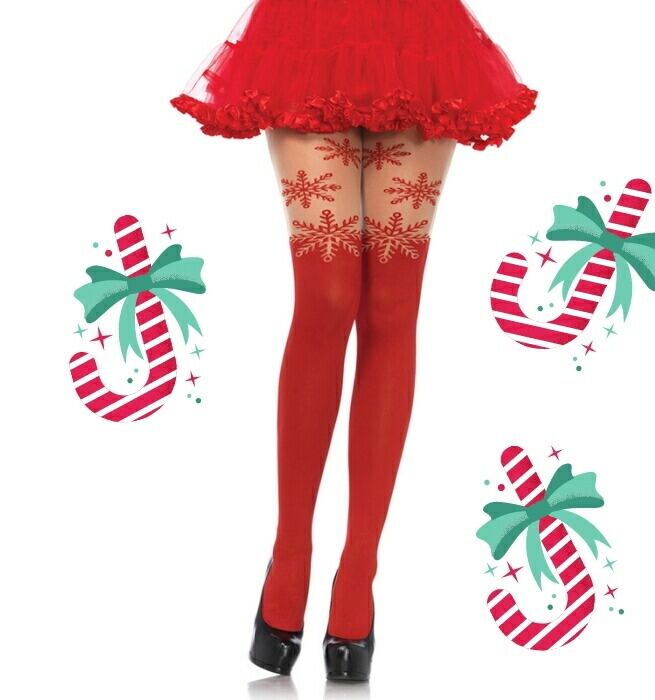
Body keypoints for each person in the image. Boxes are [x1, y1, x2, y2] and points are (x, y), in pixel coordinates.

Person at [171, 0, 537, 681]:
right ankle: (291, 554)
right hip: (308, 30)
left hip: (421, 35)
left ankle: (358, 568)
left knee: (393, 306)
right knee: (327, 297)